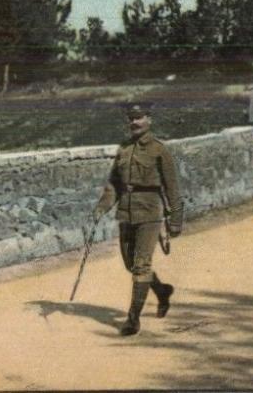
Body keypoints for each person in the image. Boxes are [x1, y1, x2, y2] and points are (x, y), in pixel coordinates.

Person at [93, 104, 183, 336]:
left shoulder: (158, 150)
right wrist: (102, 207)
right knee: (130, 264)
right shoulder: (123, 149)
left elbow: (172, 187)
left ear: (149, 120)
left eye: (139, 118)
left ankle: (133, 320)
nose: (134, 123)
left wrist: (176, 220)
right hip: (126, 211)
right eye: (131, 118)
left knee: (141, 265)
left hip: (150, 212)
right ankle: (162, 291)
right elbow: (114, 183)